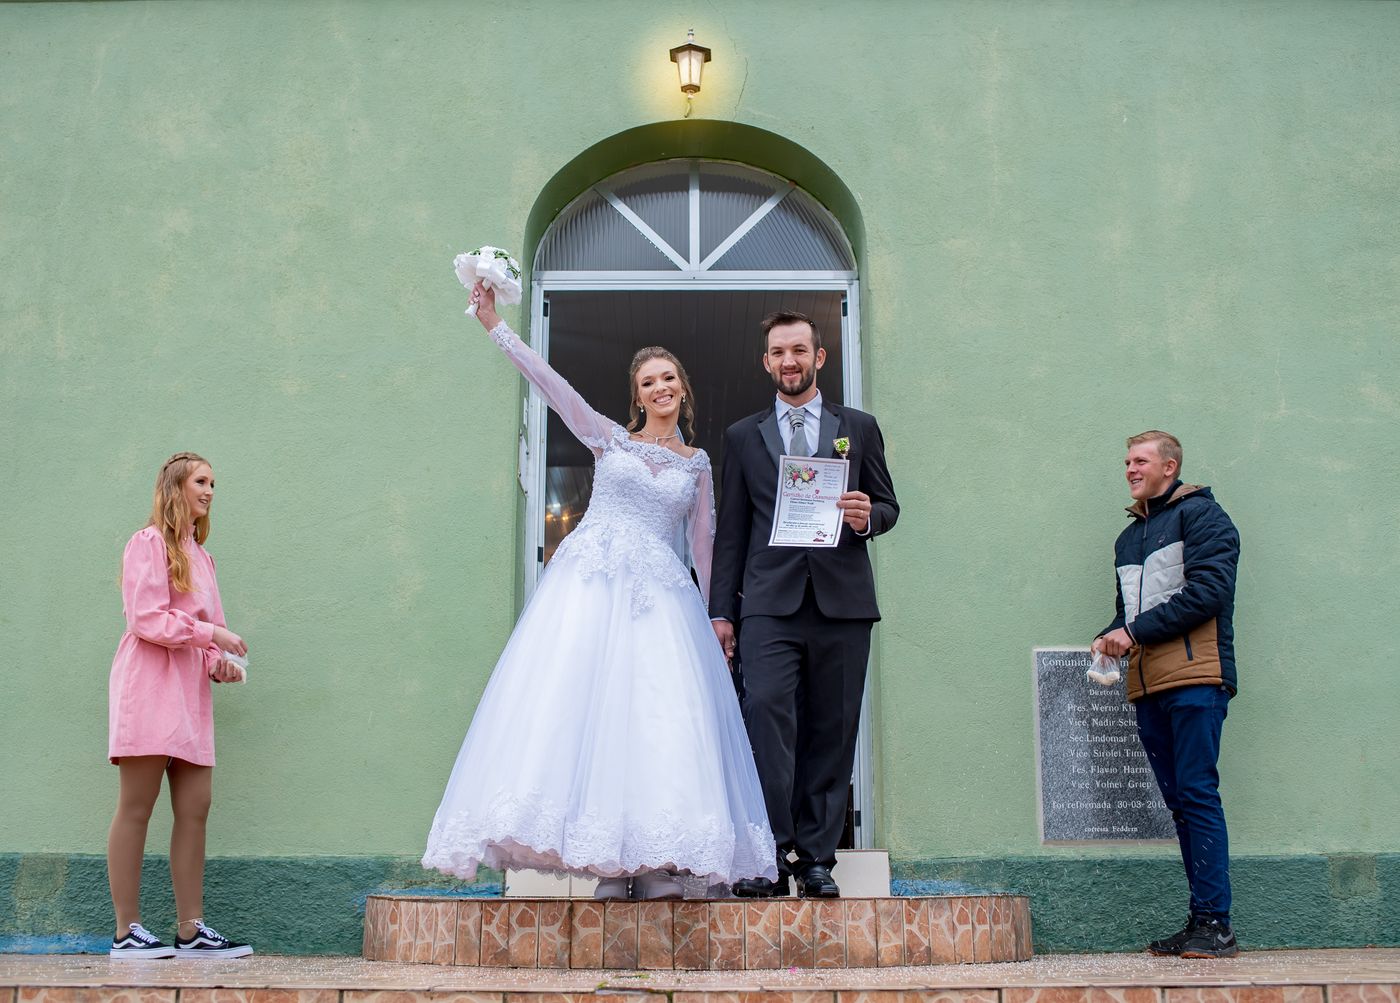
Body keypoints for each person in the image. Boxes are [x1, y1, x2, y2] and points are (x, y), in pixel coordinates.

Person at [421, 282, 777, 900]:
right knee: (583, 714)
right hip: (590, 590)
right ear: (636, 395)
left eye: (668, 378)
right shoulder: (609, 438)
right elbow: (552, 386)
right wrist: (494, 324)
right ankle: (610, 866)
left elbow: (705, 547)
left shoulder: (696, 465)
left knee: (656, 720)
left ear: (683, 388)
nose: (660, 388)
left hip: (661, 603)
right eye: (648, 382)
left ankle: (657, 862)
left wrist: (718, 620)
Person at [709, 310, 898, 898]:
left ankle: (816, 858)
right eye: (777, 352)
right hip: (769, 603)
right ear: (766, 361)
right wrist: (721, 612)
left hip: (843, 602)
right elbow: (731, 532)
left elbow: (888, 506)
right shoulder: (743, 435)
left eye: (798, 350)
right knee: (766, 717)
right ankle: (770, 853)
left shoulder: (858, 427)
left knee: (832, 728)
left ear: (819, 357)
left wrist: (868, 518)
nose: (788, 361)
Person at [1093, 430, 1241, 959]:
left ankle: (1217, 925)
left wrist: (1132, 632)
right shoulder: (1128, 538)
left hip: (1197, 678)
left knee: (1197, 795)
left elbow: (1209, 592)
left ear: (1169, 467)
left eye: (1140, 461)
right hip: (1147, 683)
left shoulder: (1203, 517)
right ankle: (1201, 918)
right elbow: (1129, 613)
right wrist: (1109, 636)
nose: (1130, 469)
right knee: (1180, 804)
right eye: (1126, 461)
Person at [106, 452, 253, 959]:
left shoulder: (203, 557)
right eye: (201, 481)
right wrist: (210, 634)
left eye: (213, 483)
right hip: (149, 684)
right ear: (176, 487)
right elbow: (146, 618)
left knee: (195, 808)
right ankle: (126, 931)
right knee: (137, 805)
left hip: (189, 693)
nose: (209, 491)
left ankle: (191, 929)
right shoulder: (147, 544)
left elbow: (209, 633)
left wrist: (219, 663)